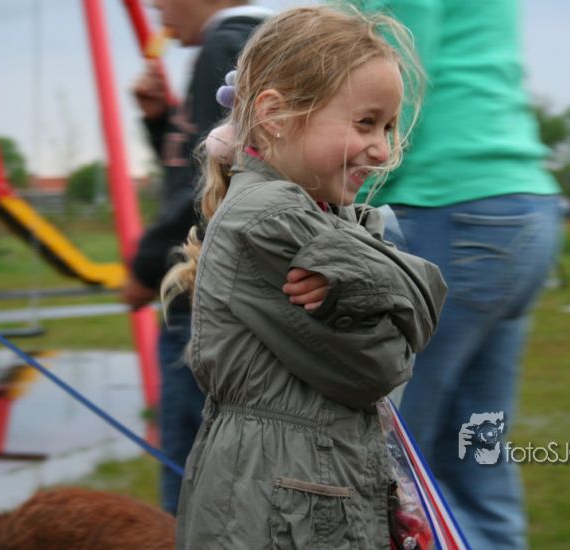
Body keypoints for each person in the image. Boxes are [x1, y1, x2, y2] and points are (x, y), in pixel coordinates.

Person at [159, 7, 447, 548]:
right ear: (275, 114)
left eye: (387, 127)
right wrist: (399, 286)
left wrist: (378, 280)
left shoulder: (322, 214)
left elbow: (418, 311)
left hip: (302, 497)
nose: (383, 149)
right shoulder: (270, 219)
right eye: (365, 123)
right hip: (279, 514)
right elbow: (381, 367)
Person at [353, 0, 562, 547]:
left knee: (389, 474)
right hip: (518, 200)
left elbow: (394, 68)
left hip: (440, 208)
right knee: (479, 465)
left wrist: (340, 201)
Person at [120, 0, 269, 516]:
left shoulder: (225, 47)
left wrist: (146, 270)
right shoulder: (247, 42)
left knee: (190, 480)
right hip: (232, 302)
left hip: (198, 302)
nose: (156, 6)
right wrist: (160, 122)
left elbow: (209, 186)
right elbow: (202, 159)